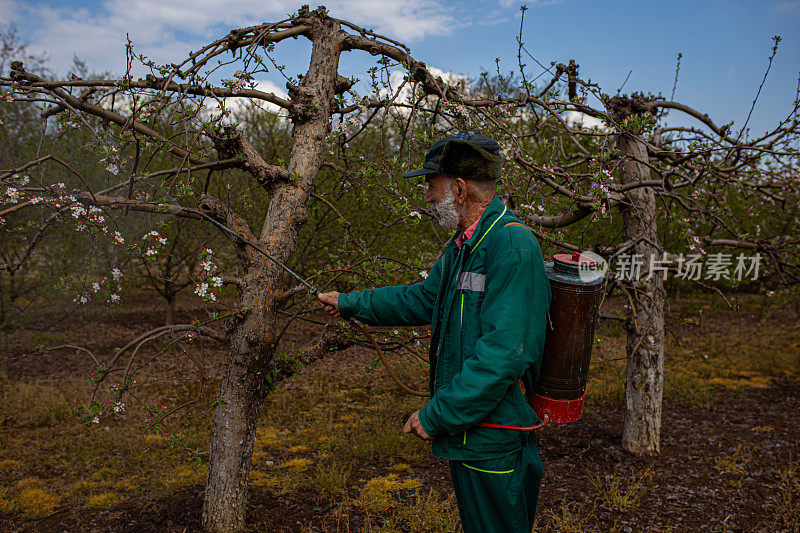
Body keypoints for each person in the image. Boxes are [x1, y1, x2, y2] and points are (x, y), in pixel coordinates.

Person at [317, 132, 552, 533]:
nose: (427, 197)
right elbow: (423, 299)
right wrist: (350, 302)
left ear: (459, 189)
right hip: (472, 437)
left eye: (432, 185)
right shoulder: (465, 245)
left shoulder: (511, 245)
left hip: (493, 442)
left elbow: (503, 356)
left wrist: (437, 415)